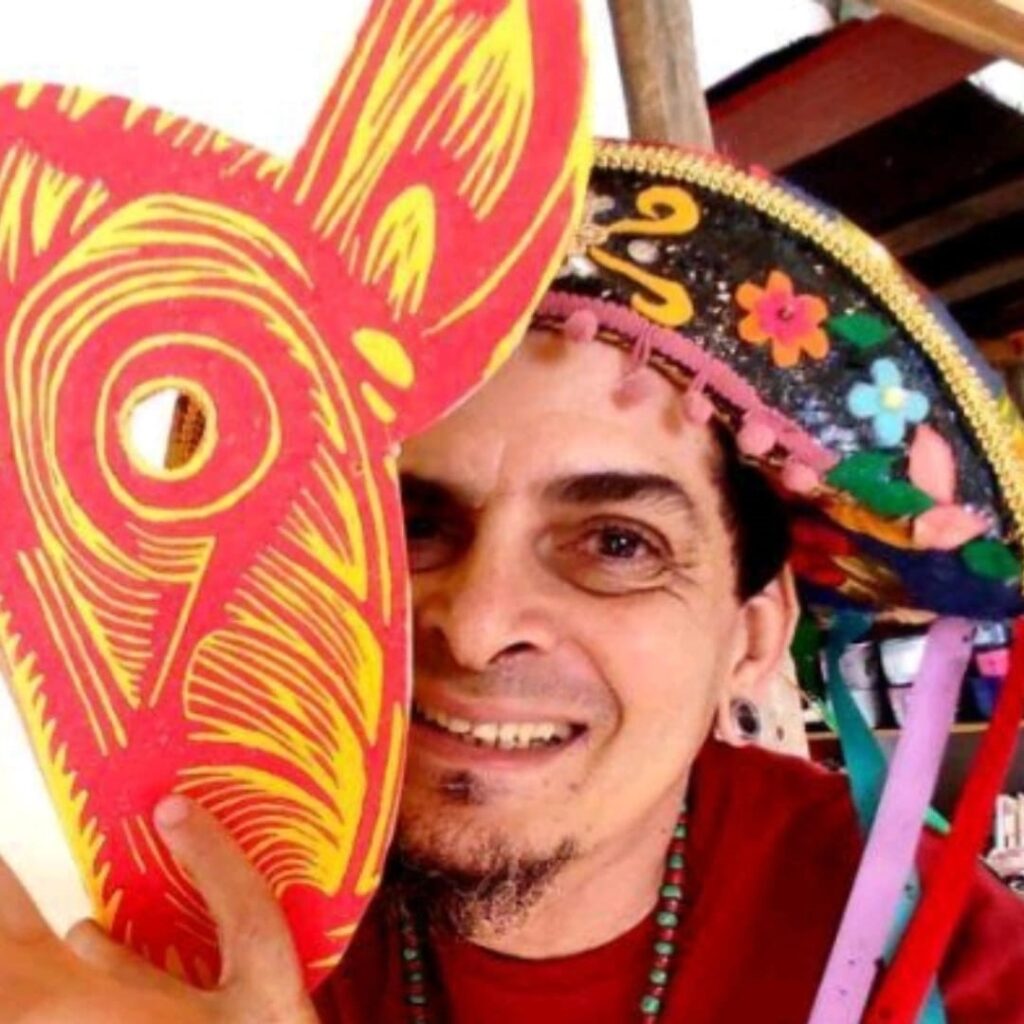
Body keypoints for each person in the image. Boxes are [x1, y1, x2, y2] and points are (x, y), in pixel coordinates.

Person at [4, 141, 1024, 1024]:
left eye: (617, 543)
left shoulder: (934, 956)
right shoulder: (190, 875)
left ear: (752, 637)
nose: (480, 623)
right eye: (409, 525)